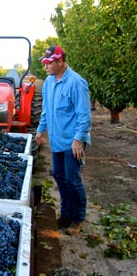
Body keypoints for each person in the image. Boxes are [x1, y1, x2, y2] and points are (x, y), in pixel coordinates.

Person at [35, 45, 92, 236]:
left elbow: (84, 116)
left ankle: (78, 217)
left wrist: (78, 140)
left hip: (72, 141)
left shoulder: (76, 83)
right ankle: (66, 214)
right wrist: (40, 129)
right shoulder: (49, 83)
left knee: (72, 179)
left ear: (60, 62)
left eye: (49, 63)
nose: (46, 68)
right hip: (57, 140)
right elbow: (46, 109)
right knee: (59, 176)